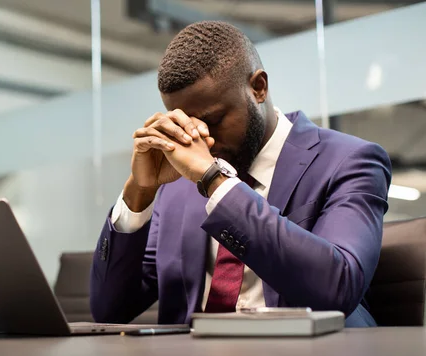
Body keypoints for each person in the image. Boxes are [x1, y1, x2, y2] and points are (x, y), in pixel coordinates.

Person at [90, 21, 391, 327]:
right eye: (187, 123)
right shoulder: (178, 183)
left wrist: (213, 180)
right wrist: (139, 192)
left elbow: (338, 286)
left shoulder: (349, 160)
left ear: (258, 88)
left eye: (214, 119)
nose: (201, 138)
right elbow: (110, 310)